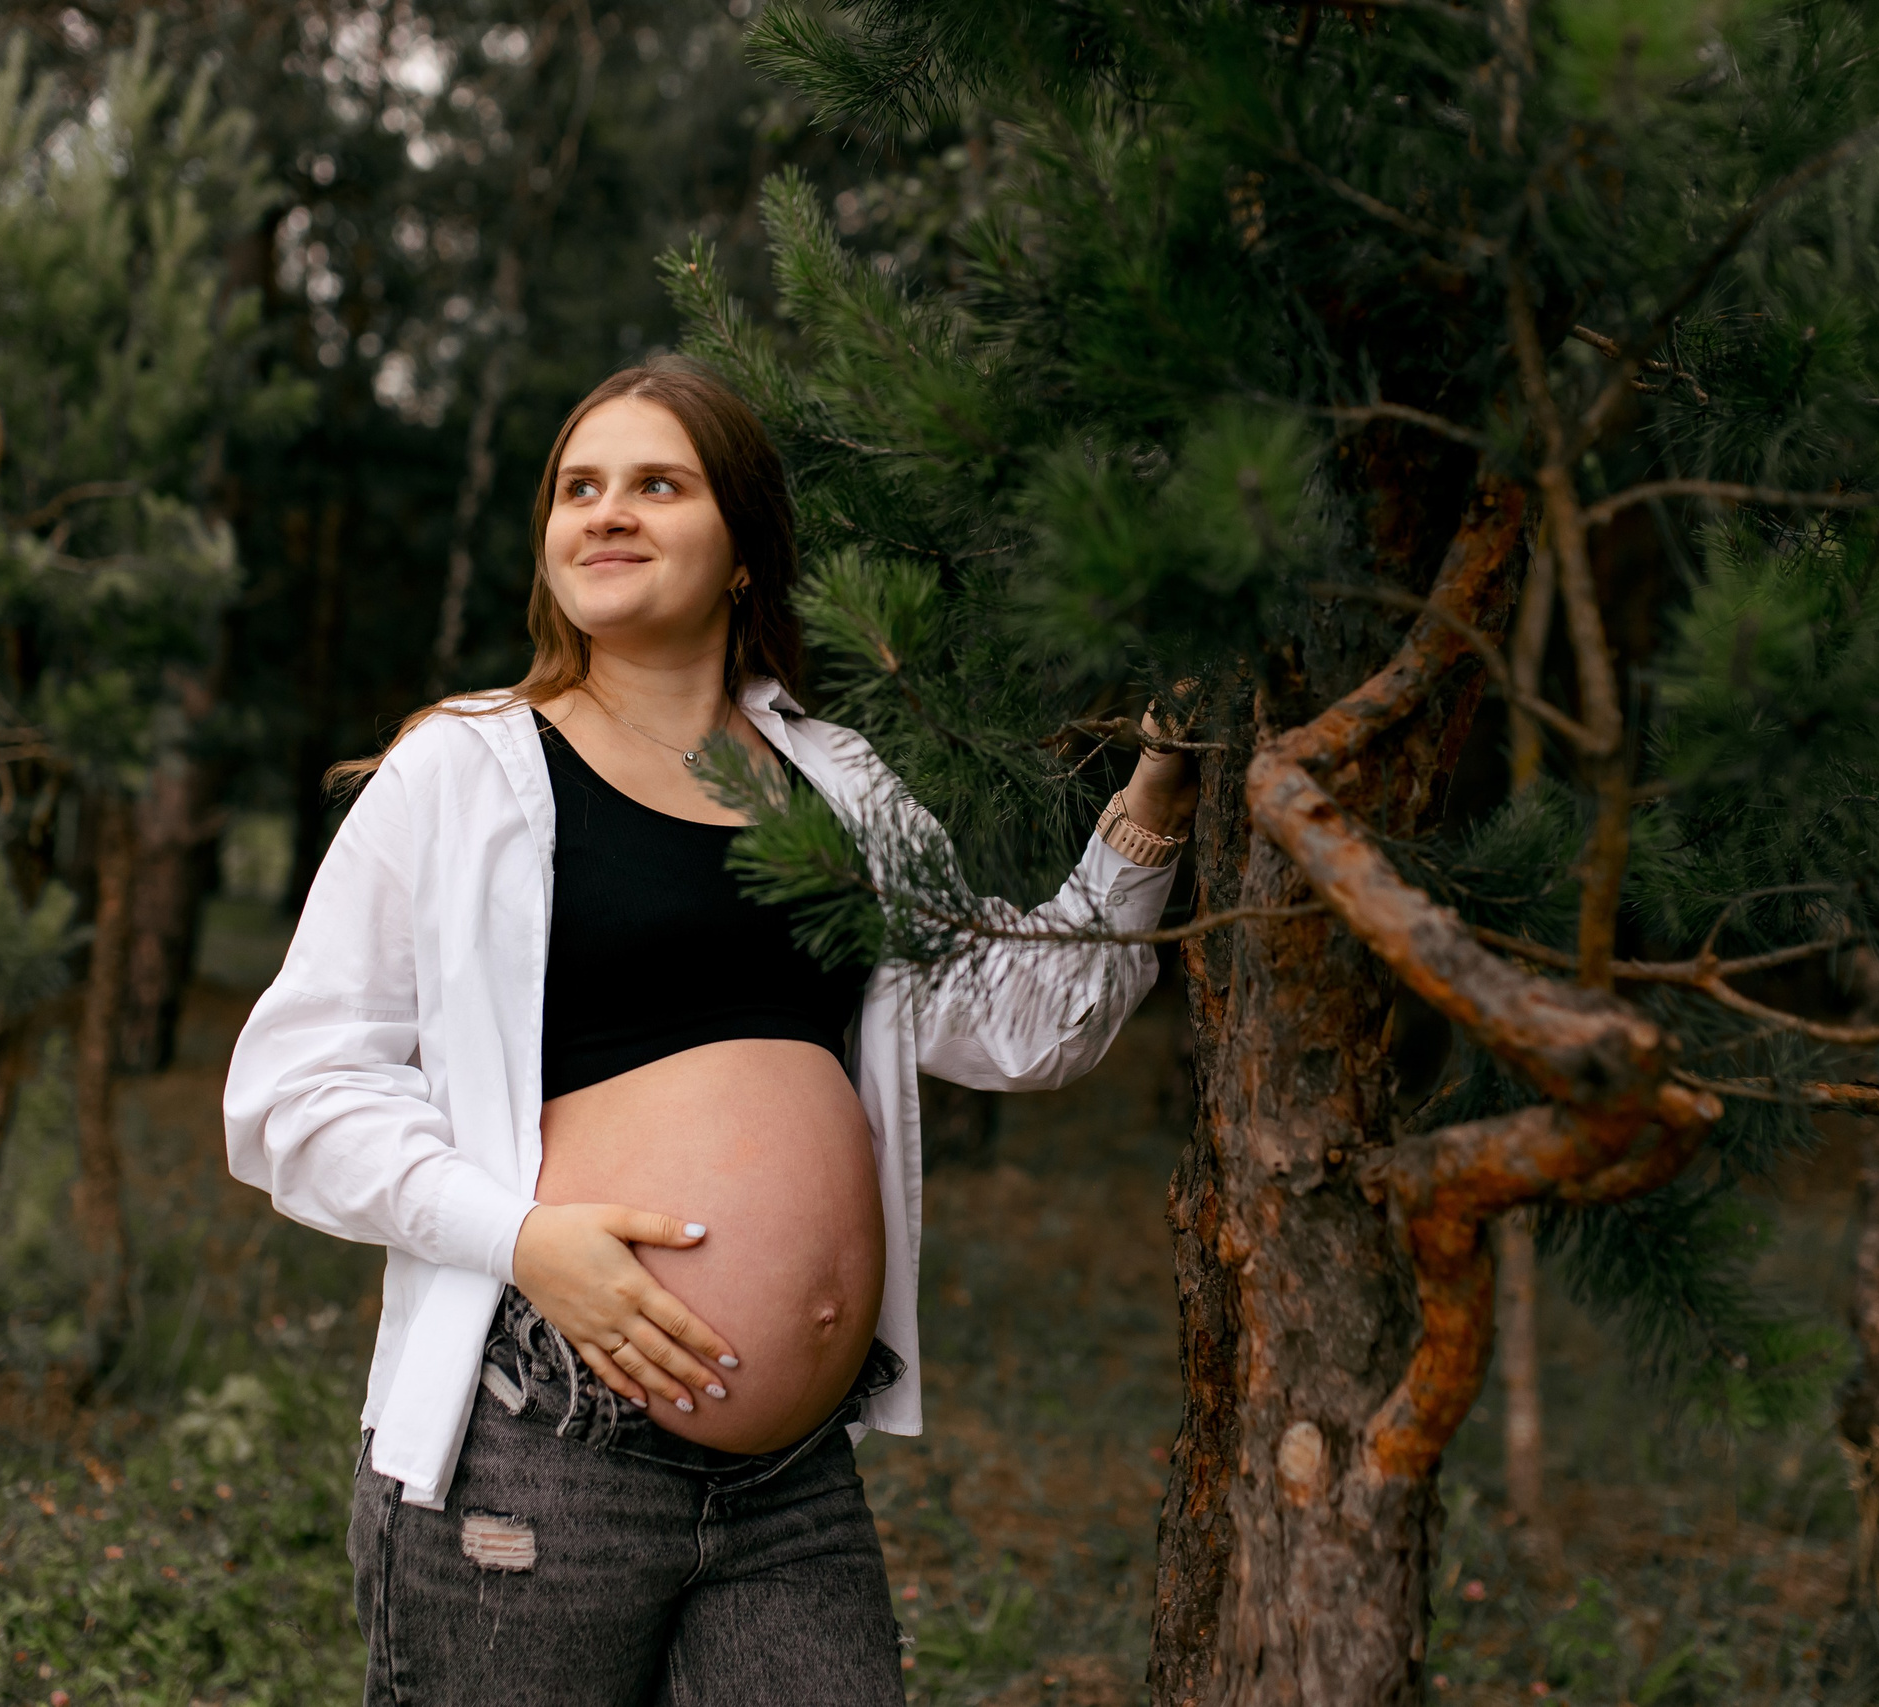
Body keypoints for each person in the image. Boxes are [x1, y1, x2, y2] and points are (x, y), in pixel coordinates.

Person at [223, 356, 1197, 1706]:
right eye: (580, 488)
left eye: (657, 484)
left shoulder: (837, 784)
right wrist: (524, 1240)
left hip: (791, 1486)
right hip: (541, 1443)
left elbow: (1018, 1019)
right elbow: (292, 1094)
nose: (606, 512)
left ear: (743, 547)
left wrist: (1159, 792)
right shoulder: (468, 769)